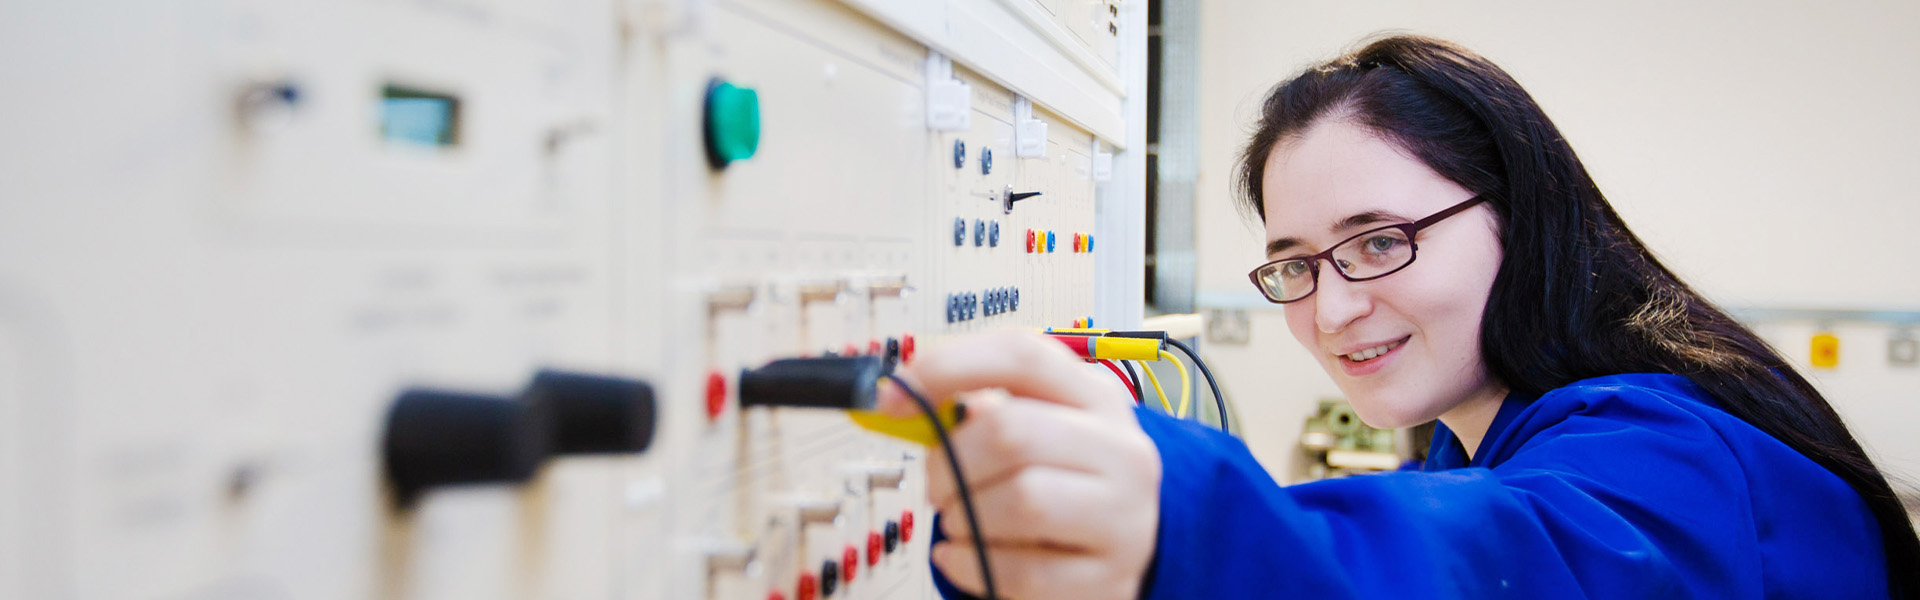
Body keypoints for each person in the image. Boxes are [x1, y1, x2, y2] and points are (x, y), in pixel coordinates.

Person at [876, 34, 1920, 598]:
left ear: (1522, 217)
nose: (1331, 309)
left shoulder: (1674, 451)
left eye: (1379, 241)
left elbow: (1500, 563)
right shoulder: (1466, 443)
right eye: (1295, 264)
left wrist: (1179, 523)